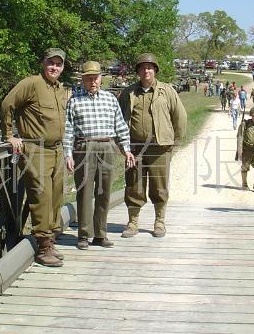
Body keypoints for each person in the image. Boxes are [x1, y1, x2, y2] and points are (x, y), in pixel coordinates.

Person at [1, 48, 68, 267]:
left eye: (59, 64)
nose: (54, 67)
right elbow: (7, 104)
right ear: (43, 63)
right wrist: (9, 135)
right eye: (51, 63)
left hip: (56, 149)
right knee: (41, 196)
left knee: (56, 195)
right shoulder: (31, 83)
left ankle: (51, 239)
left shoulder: (59, 89)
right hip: (36, 149)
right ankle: (42, 246)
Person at [64, 61, 135, 250]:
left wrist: (126, 149)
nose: (92, 82)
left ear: (101, 78)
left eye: (95, 78)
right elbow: (68, 129)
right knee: (85, 192)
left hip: (107, 146)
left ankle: (100, 234)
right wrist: (68, 154)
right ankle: (83, 235)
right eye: (88, 78)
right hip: (84, 147)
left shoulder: (110, 99)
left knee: (104, 192)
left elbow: (120, 125)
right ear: (83, 80)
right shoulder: (74, 100)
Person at [119, 53, 187, 238]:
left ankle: (159, 221)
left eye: (150, 67)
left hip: (160, 148)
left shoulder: (167, 91)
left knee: (159, 186)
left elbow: (179, 116)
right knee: (134, 186)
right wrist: (123, 147)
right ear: (138, 71)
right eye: (142, 67)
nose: (146, 70)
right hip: (135, 149)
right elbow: (119, 120)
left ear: (155, 70)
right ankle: (132, 223)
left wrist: (174, 141)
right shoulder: (129, 93)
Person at [236, 106, 254, 191]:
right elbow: (240, 137)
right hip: (246, 149)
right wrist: (240, 151)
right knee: (245, 167)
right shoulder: (244, 124)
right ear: (251, 115)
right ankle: (244, 184)